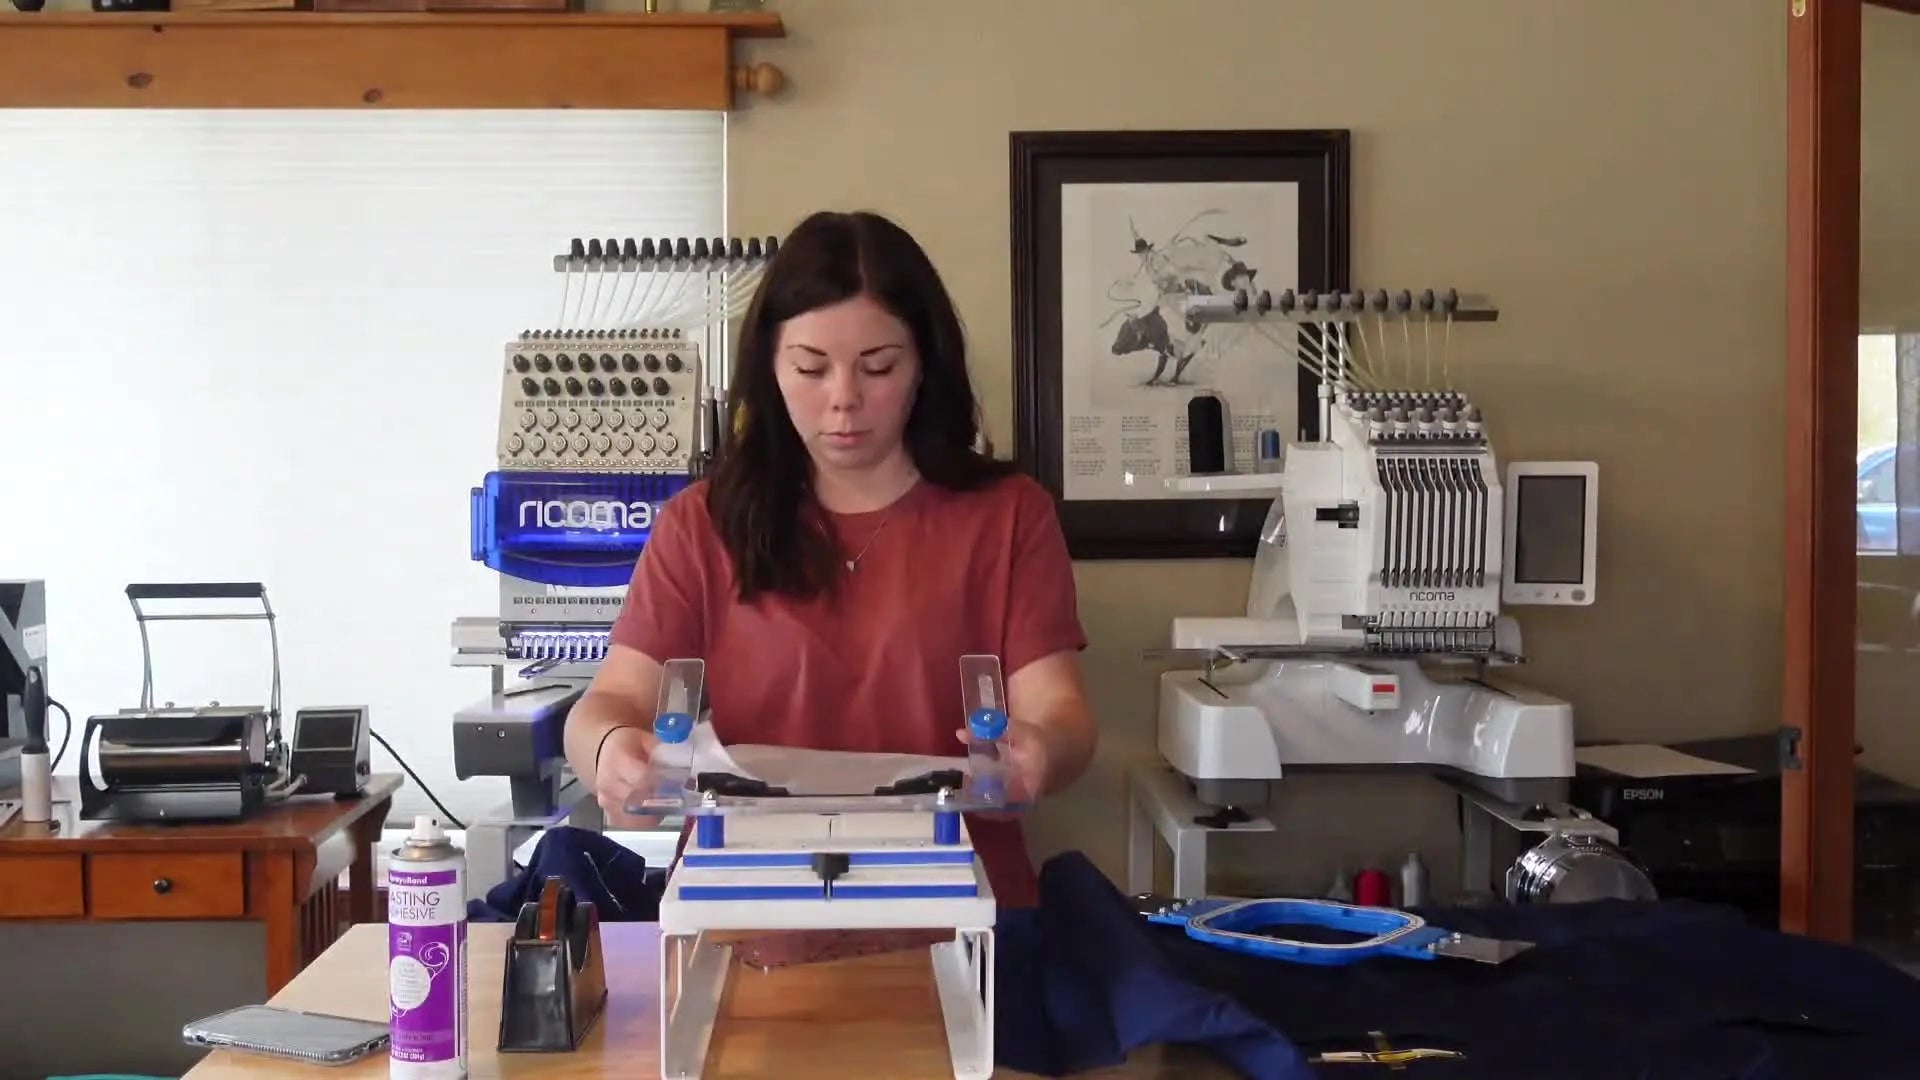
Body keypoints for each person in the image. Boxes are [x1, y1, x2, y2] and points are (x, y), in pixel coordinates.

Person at [561, 209, 1097, 908]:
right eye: (811, 368)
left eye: (879, 367)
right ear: (770, 368)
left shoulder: (1008, 515)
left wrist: (1039, 755)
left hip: (961, 918)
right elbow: (609, 703)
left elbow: (1062, 714)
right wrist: (610, 753)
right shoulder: (702, 523)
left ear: (925, 364)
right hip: (745, 913)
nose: (844, 400)